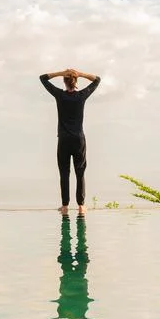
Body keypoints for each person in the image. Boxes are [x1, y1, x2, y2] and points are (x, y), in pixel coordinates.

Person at [39, 68, 101, 217]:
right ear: (76, 81)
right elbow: (97, 79)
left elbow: (43, 78)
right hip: (79, 139)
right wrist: (81, 74)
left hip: (64, 139)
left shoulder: (60, 95)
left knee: (64, 172)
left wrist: (61, 73)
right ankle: (81, 207)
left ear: (65, 81)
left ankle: (65, 206)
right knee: (80, 173)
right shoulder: (81, 96)